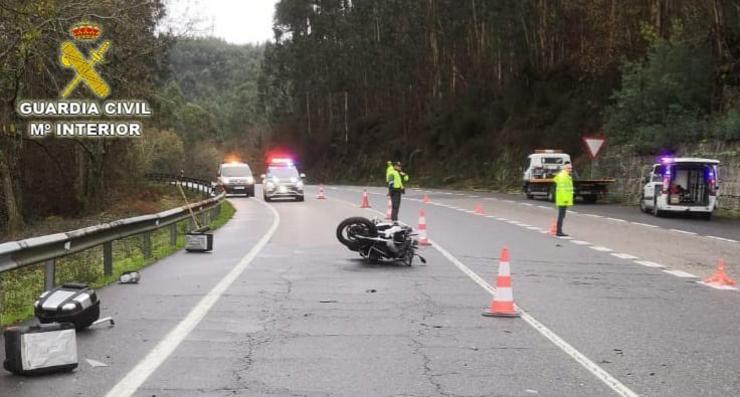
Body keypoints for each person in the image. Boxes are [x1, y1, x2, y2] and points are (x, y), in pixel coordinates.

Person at [553, 162, 574, 236]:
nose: (570, 169)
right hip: (563, 199)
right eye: (568, 168)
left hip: (562, 199)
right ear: (564, 168)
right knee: (561, 215)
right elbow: (562, 189)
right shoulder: (563, 176)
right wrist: (566, 199)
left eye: (571, 168)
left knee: (562, 215)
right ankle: (558, 231)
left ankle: (559, 231)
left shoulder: (565, 175)